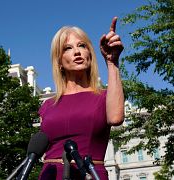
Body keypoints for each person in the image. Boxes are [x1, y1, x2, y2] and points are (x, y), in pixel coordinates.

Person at [38, 17, 124, 180]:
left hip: (89, 173)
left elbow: (115, 117)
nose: (77, 52)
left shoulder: (104, 97)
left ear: (90, 54)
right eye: (67, 48)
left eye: (82, 45)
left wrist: (112, 62)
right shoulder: (47, 105)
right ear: (59, 61)